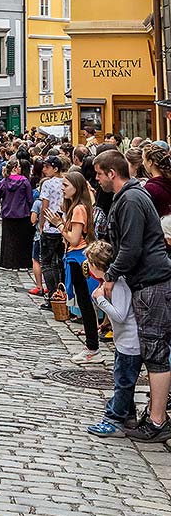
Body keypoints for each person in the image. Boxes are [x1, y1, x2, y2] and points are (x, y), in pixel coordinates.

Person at [95, 150, 171, 442]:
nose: (98, 179)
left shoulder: (130, 199)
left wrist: (111, 276)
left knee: (154, 353)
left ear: (112, 173)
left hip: (152, 282)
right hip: (150, 280)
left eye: (100, 174)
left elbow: (131, 248)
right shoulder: (131, 196)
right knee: (153, 350)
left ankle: (157, 421)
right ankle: (153, 413)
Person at [85, 240, 142, 437]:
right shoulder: (112, 284)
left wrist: (100, 300)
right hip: (124, 341)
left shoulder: (118, 284)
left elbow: (120, 315)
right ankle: (129, 416)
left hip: (130, 343)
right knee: (124, 380)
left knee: (123, 382)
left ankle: (115, 418)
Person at [45, 171, 100, 363]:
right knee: (85, 302)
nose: (62, 188)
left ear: (76, 187)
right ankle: (92, 345)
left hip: (78, 257)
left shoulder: (78, 209)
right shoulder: (79, 206)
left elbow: (74, 238)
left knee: (85, 302)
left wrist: (59, 225)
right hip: (78, 256)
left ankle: (92, 347)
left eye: (66, 185)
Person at [0, 158, 33, 270]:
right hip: (22, 214)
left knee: (8, 239)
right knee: (21, 240)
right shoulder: (25, 181)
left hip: (8, 214)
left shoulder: (5, 182)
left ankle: (9, 262)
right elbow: (30, 199)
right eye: (19, 166)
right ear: (16, 168)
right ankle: (21, 264)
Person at [38, 156, 65, 311]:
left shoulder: (48, 184)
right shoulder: (66, 182)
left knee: (47, 263)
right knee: (60, 263)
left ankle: (53, 296)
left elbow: (44, 206)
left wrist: (42, 225)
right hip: (63, 226)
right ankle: (63, 295)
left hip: (50, 226)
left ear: (55, 168)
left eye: (47, 167)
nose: (44, 169)